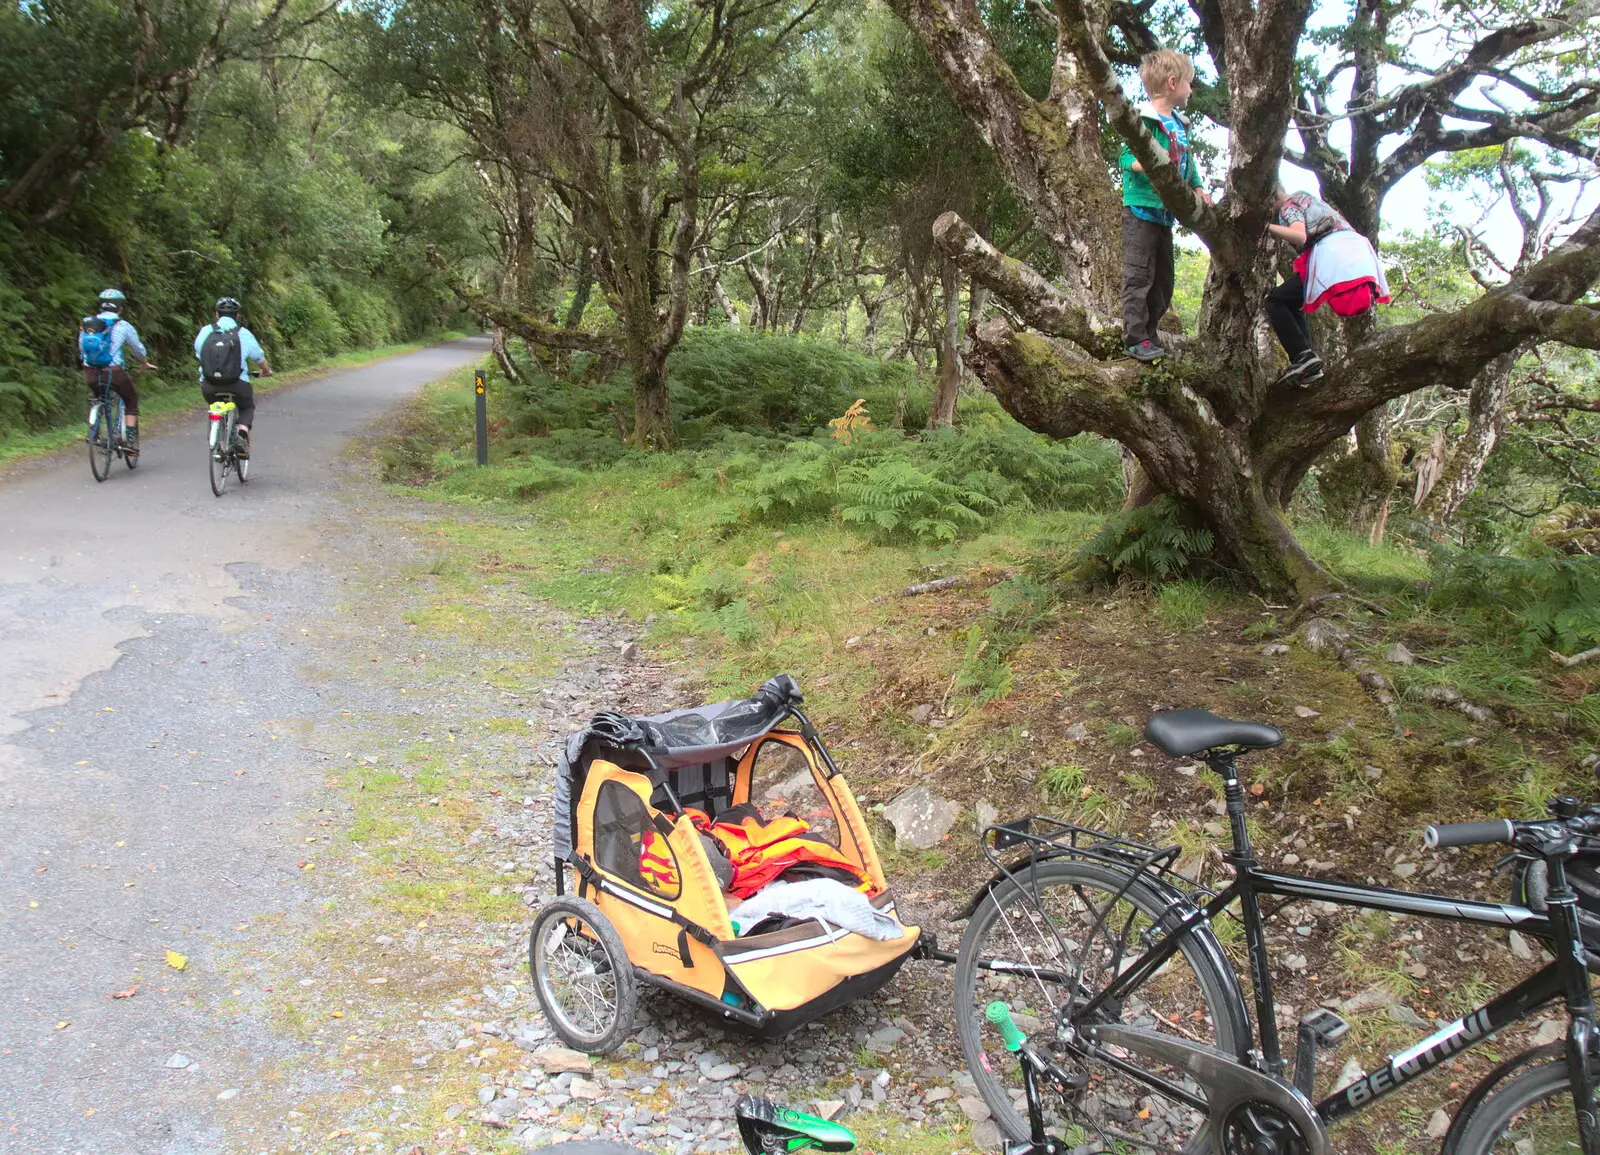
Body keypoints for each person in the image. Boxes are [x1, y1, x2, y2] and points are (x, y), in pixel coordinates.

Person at [1120, 48, 1212, 364]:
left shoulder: (1180, 124)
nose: (1192, 89)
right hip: (1142, 210)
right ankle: (1134, 338)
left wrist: (1198, 187)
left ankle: (1150, 335)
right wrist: (1150, 164)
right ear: (1173, 82)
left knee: (1163, 279)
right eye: (1190, 82)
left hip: (1165, 214)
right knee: (1139, 275)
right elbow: (1126, 158)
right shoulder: (1141, 120)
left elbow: (1189, 162)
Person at [1264, 185, 1391, 385]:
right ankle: (1308, 364)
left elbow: (1299, 236)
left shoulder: (1288, 206)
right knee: (1292, 300)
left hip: (1334, 253)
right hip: (1354, 251)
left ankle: (1303, 356)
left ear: (1271, 198)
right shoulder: (1306, 197)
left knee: (1274, 301)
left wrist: (1265, 227)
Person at [79, 289, 157, 453]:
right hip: (114, 372)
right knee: (131, 400)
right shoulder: (123, 326)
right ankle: (129, 441)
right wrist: (144, 362)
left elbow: (82, 349)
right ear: (120, 308)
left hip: (90, 372)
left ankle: (94, 433)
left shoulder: (87, 325)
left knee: (99, 396)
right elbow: (138, 349)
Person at [194, 297, 271, 456]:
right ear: (237, 316)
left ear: (217, 314)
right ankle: (241, 435)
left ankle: (219, 432)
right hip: (237, 384)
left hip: (208, 385)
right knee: (246, 407)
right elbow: (259, 358)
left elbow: (199, 353)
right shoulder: (243, 334)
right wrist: (266, 371)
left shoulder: (206, 331)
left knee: (216, 402)